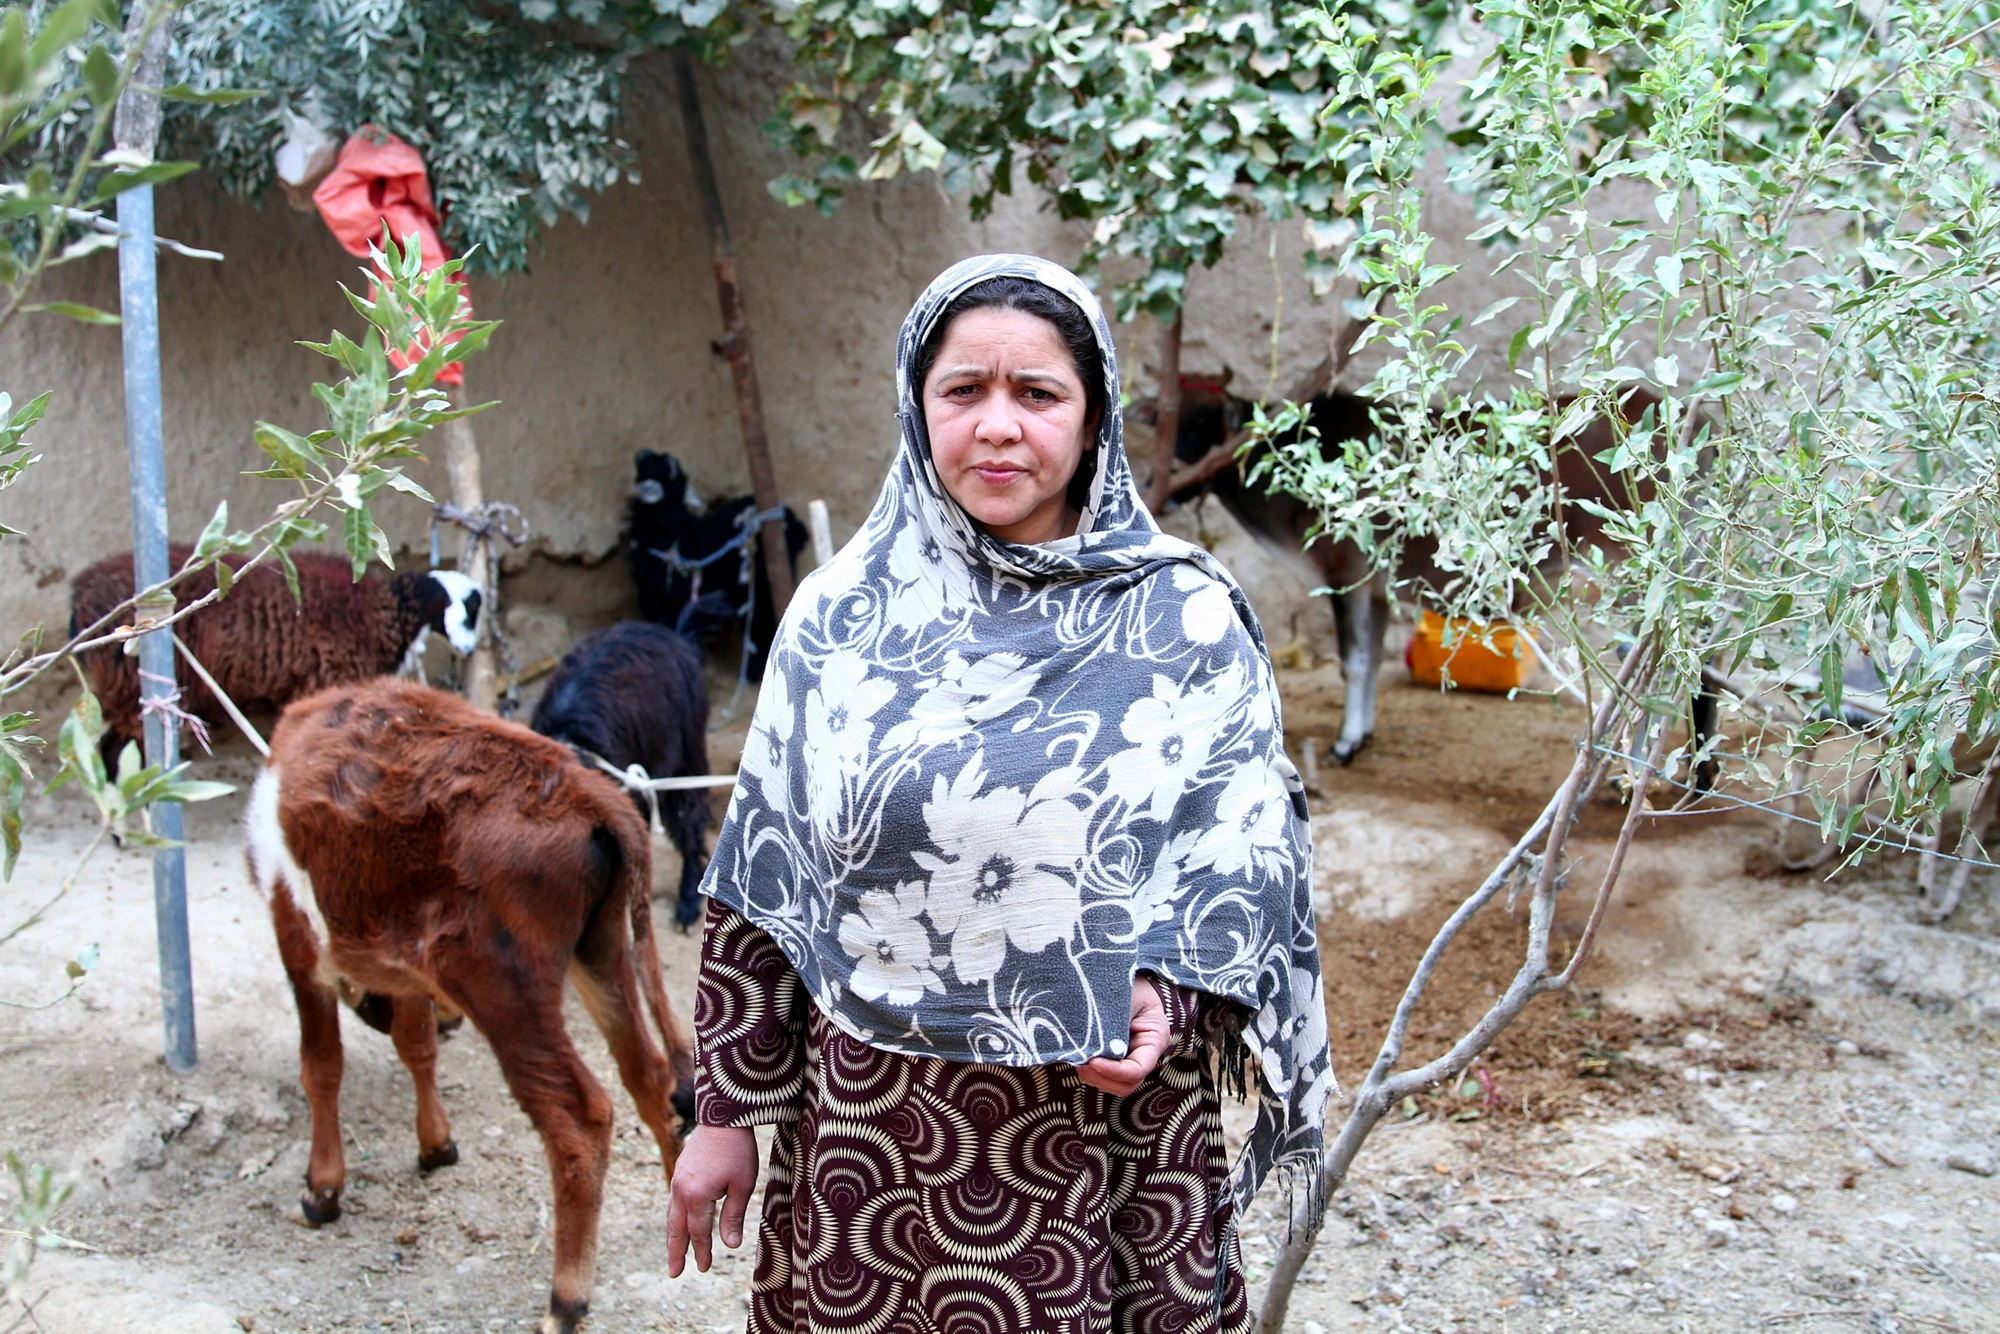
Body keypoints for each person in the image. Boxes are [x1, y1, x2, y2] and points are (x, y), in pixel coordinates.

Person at [665, 254, 1332, 1334]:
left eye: (1037, 393)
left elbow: (1242, 867)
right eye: (962, 390)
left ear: (1093, 411)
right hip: (873, 1146)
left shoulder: (1182, 621)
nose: (996, 426)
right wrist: (727, 1112)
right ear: (915, 405)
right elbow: (763, 882)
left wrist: (1170, 996)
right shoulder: (840, 622)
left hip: (1101, 1139)